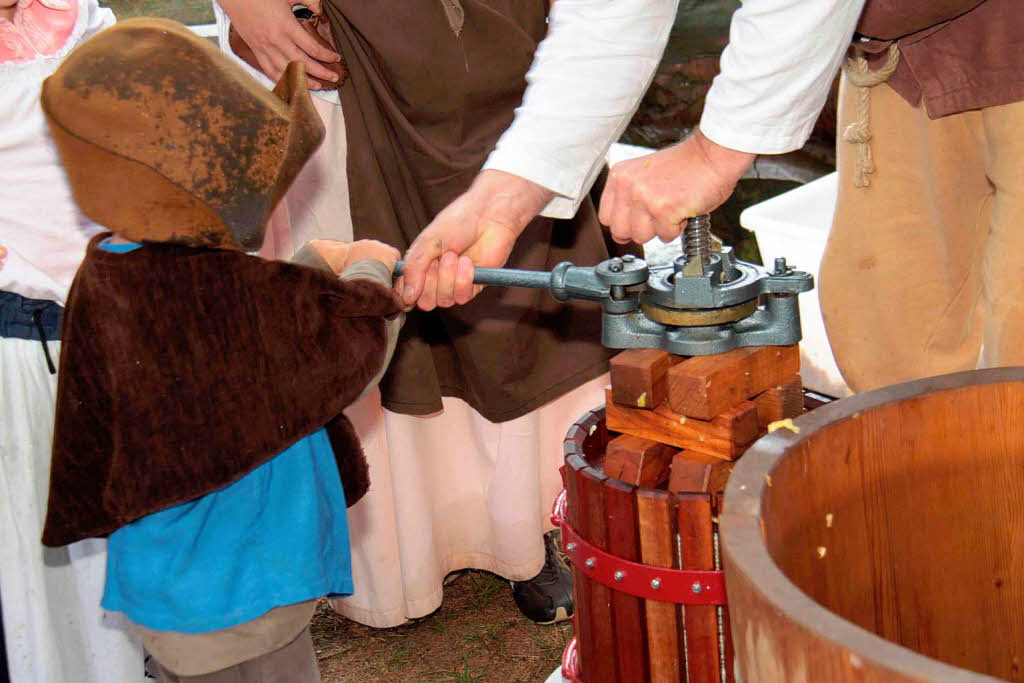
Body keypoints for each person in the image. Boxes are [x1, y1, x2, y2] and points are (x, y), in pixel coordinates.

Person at [214, 0, 678, 626]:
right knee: (372, 265)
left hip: (503, 31)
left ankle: (527, 527)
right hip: (346, 41)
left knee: (524, 266)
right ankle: (397, 552)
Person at [408, 0, 1024, 395]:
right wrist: (504, 197)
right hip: (904, 55)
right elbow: (613, 12)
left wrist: (714, 153)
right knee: (893, 337)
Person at [39, 18, 404, 680]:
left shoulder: (109, 269)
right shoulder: (222, 288)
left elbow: (252, 320)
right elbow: (343, 354)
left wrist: (317, 262)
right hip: (244, 586)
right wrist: (372, 271)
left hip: (169, 578)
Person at [0, 0, 146, 680]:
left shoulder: (80, 19)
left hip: (119, 305)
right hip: (27, 329)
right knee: (50, 537)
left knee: (137, 510)